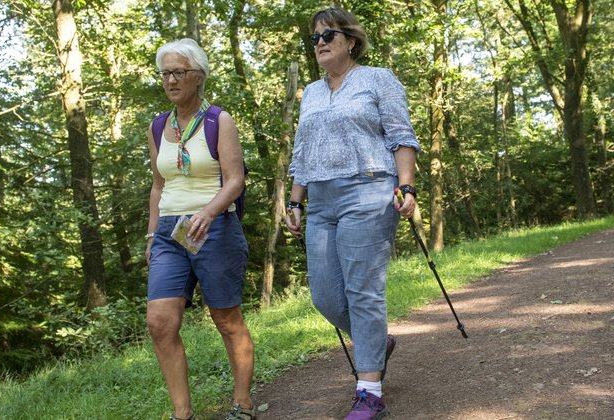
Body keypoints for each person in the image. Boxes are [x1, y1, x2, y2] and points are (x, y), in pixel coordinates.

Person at [283, 7, 420, 420]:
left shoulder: (378, 79)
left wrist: (406, 185)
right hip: (321, 201)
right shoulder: (310, 92)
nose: (320, 43)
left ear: (351, 40)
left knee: (363, 291)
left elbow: (401, 135)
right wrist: (294, 201)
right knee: (325, 296)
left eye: (328, 35)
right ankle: (376, 342)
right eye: (315, 39)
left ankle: (370, 393)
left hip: (369, 190)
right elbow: (302, 153)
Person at [145, 38, 256, 420]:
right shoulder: (158, 126)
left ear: (198, 77)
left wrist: (208, 213)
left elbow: (235, 180)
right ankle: (182, 414)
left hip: (214, 229)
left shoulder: (218, 121)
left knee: (226, 320)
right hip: (169, 235)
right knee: (159, 322)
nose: (171, 80)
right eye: (166, 73)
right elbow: (158, 186)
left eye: (179, 72)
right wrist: (151, 232)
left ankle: (242, 405)